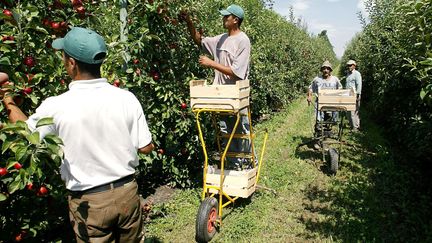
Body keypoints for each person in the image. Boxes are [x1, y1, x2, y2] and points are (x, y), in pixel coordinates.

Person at [1, 27, 154, 242]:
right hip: (127, 193)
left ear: (72, 63)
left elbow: (26, 133)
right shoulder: (126, 98)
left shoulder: (56, 106)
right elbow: (146, 147)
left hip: (90, 202)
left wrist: (6, 97)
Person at [182, 4, 253, 169]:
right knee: (225, 132)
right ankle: (233, 166)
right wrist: (189, 22)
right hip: (221, 96)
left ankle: (248, 164)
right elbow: (199, 40)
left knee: (241, 132)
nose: (223, 19)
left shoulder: (243, 41)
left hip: (236, 95)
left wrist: (211, 63)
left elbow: (237, 72)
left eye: (226, 17)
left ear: (235, 20)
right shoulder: (221, 38)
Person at [307, 61, 342, 148]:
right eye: (324, 69)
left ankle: (325, 141)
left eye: (327, 69)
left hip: (331, 105)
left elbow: (340, 89)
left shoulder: (335, 80)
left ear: (330, 70)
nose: (325, 70)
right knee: (319, 123)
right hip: (320, 104)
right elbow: (310, 88)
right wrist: (309, 96)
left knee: (328, 123)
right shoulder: (317, 79)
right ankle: (317, 141)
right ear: (321, 70)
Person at [345, 59, 362, 131]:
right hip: (348, 94)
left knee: (354, 111)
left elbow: (359, 84)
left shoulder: (357, 74)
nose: (349, 66)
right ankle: (352, 125)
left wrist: (358, 94)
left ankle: (356, 127)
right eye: (348, 65)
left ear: (354, 66)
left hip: (354, 94)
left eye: (350, 65)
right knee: (348, 111)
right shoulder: (348, 74)